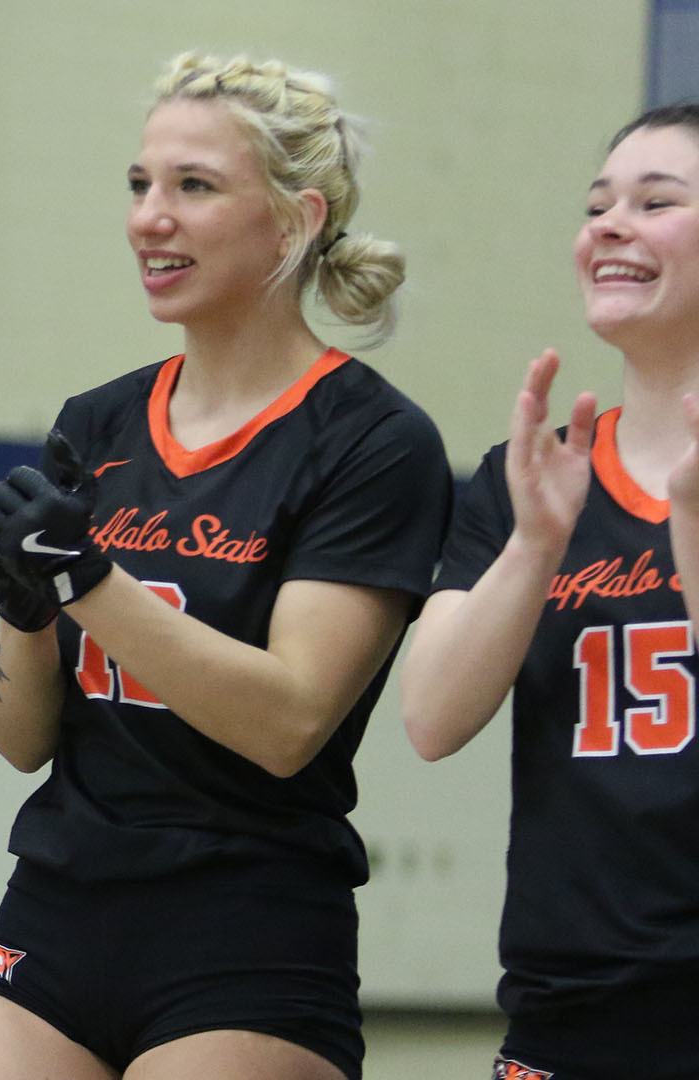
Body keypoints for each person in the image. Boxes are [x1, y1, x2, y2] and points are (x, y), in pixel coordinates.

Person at [0, 54, 450, 1080]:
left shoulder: (374, 442)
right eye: (139, 185)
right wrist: (23, 614)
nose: (148, 218)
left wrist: (88, 581)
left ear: (296, 220)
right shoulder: (97, 423)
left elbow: (287, 723)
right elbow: (19, 741)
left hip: (245, 929)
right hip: (59, 900)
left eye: (193, 187)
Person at [399, 104, 699, 1080]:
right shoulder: (524, 480)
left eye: (657, 203)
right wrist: (535, 546)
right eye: (597, 205)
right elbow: (431, 720)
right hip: (568, 1011)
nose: (611, 225)